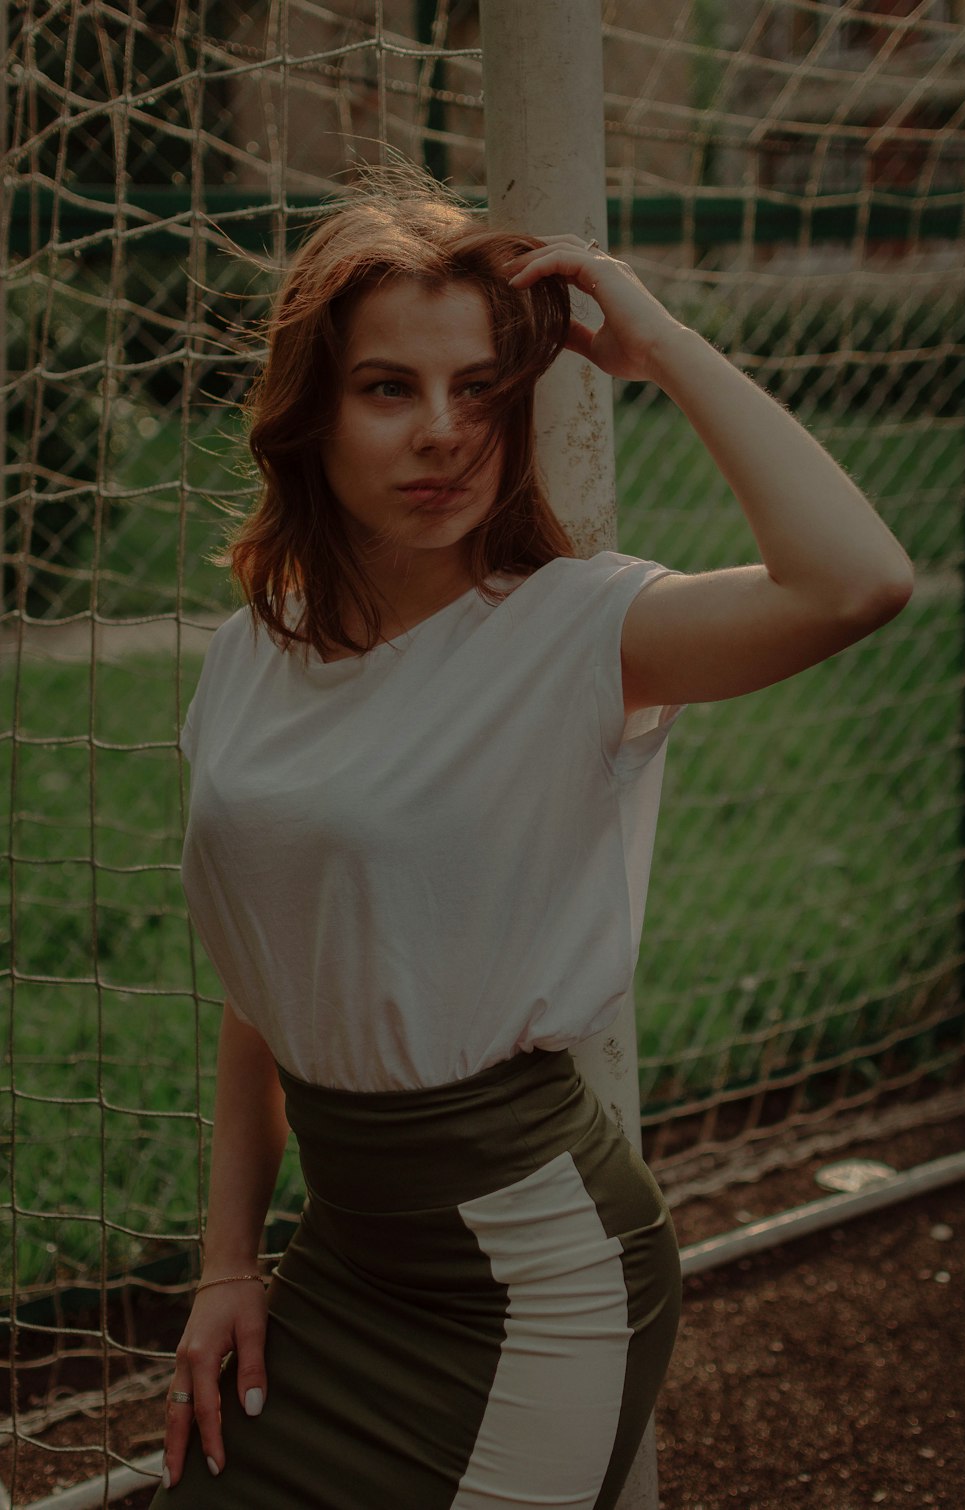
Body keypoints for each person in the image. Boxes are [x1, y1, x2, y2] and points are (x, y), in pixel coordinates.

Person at [152, 166, 913, 1510]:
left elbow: (856, 581)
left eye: (481, 391)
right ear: (313, 411)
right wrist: (227, 1263)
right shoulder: (247, 655)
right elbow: (268, 978)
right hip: (341, 1266)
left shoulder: (575, 630)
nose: (444, 431)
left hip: (536, 1280)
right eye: (390, 387)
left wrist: (657, 346)